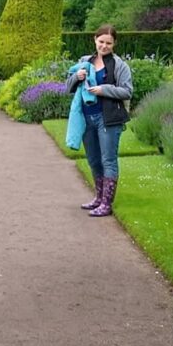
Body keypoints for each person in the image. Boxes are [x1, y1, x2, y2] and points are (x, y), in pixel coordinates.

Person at [65, 24, 133, 217]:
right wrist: (77, 77)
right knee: (94, 160)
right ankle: (98, 198)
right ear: (95, 40)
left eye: (108, 43)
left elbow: (127, 91)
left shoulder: (119, 65)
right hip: (87, 118)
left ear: (114, 44)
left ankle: (106, 203)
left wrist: (103, 89)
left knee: (108, 160)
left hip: (108, 119)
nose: (104, 46)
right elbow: (68, 86)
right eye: (101, 41)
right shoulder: (85, 61)